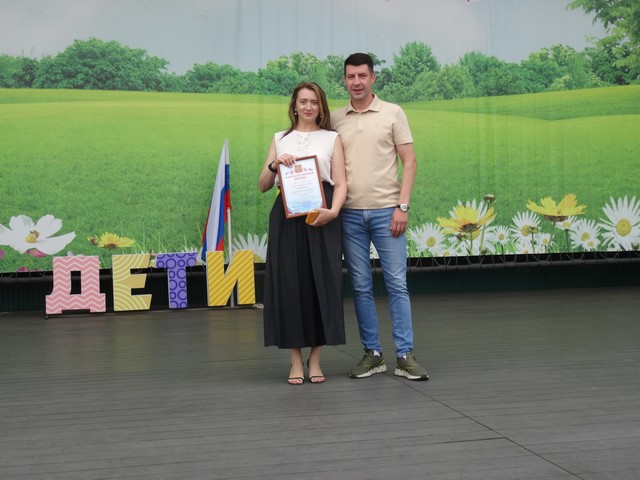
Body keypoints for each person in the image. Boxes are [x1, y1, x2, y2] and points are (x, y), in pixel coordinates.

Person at [331, 53, 429, 381]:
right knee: (360, 286)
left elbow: (409, 161)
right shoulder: (335, 119)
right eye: (350, 76)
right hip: (349, 215)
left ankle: (404, 355)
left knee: (397, 284)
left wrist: (403, 207)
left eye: (362, 75)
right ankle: (372, 354)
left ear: (373, 78)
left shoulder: (392, 113)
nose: (356, 82)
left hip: (389, 212)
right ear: (344, 80)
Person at [259, 82, 347, 385]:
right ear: (294, 106)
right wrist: (274, 165)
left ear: (321, 107)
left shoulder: (332, 138)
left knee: (322, 282)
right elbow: (263, 185)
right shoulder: (280, 138)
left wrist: (333, 211)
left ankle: (316, 359)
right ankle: (295, 360)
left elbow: (341, 182)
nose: (308, 107)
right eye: (303, 102)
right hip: (287, 217)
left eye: (314, 102)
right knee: (289, 286)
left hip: (322, 215)